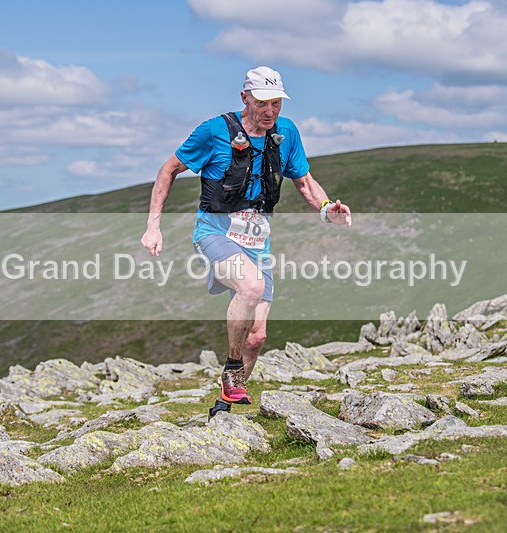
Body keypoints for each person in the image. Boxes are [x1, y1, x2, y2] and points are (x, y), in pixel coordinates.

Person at [141, 66, 351, 419]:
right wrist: (153, 226)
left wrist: (328, 208)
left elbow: (304, 181)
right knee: (250, 288)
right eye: (262, 103)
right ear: (245, 98)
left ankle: (222, 408)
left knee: (256, 337)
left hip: (257, 242)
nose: (270, 112)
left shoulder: (287, 132)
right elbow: (168, 170)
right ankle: (232, 368)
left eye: (277, 104)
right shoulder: (213, 131)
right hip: (215, 233)